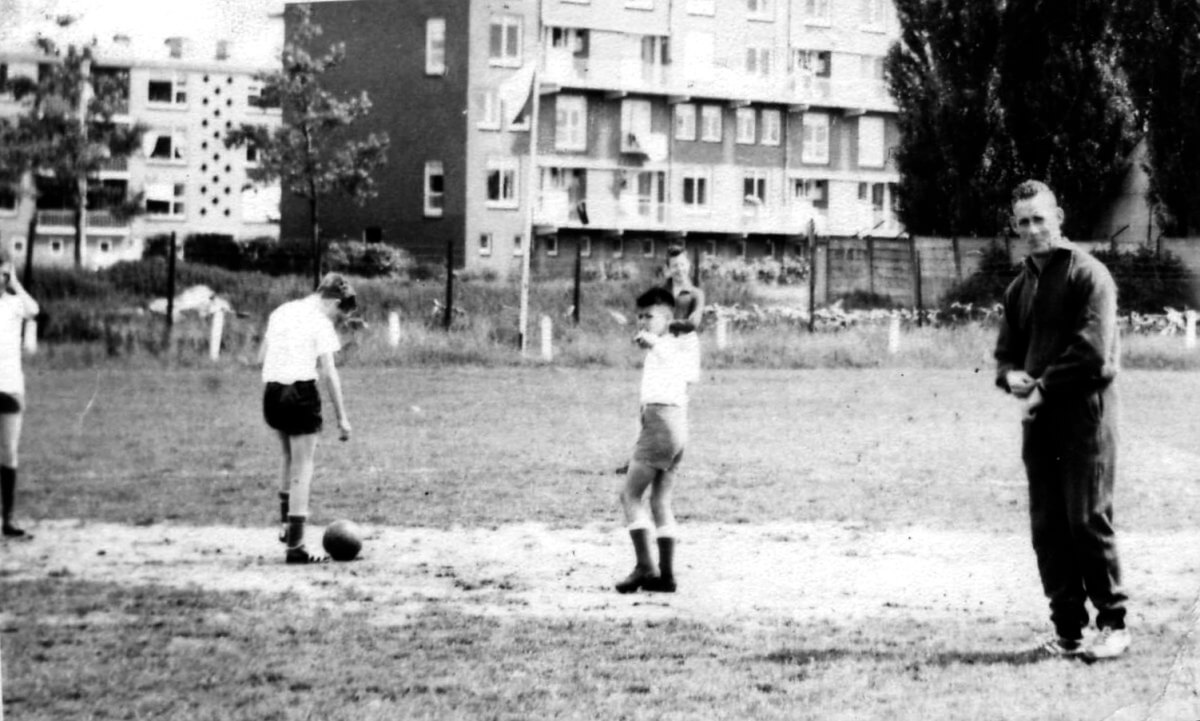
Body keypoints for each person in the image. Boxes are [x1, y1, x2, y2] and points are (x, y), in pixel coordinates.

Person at [995, 180, 1130, 661]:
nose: (1033, 230)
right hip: (1040, 425)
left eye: (1040, 219)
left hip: (1086, 419)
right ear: (1015, 227)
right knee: (1048, 527)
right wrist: (1008, 375)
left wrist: (1043, 389)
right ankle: (1068, 631)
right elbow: (1007, 353)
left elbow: (1095, 355)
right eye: (1024, 222)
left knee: (1087, 519)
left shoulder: (1090, 276)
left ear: (1059, 217)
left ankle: (1113, 624)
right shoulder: (1020, 285)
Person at [260, 273, 355, 564]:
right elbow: (329, 372)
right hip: (300, 393)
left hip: (272, 391)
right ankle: (296, 546)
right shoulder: (320, 322)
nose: (338, 320)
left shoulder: (281, 311)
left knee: (288, 458)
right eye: (341, 313)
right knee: (304, 467)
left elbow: (261, 354)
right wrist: (342, 418)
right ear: (335, 301)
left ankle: (287, 526)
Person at [615, 286, 694, 594]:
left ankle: (645, 566)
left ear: (667, 317)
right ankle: (666, 576)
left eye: (649, 316)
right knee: (660, 501)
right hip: (675, 426)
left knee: (630, 496)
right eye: (640, 317)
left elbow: (675, 366)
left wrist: (654, 343)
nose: (643, 322)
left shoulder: (672, 343)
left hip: (663, 424)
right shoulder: (667, 345)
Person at [0, 253, 39, 539]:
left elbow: (34, 310)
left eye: (4, 275)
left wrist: (16, 281)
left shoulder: (14, 304)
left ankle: (8, 519)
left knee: (9, 451)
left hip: (11, 385)